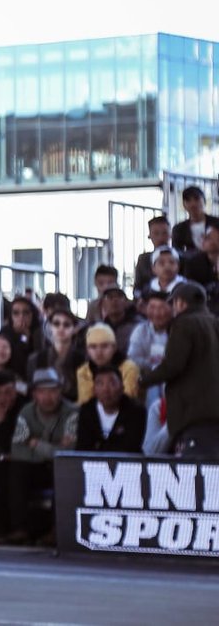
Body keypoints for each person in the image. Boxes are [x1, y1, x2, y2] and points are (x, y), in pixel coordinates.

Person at [139, 283, 219, 457]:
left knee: (195, 476)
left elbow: (173, 365)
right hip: (214, 418)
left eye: (173, 303)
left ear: (181, 303)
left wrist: (143, 380)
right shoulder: (214, 322)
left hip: (193, 416)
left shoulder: (183, 324)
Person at [4, 368, 77, 544]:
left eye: (52, 391)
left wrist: (35, 443)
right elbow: (17, 449)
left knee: (64, 473)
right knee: (16, 469)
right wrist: (53, 449)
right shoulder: (26, 412)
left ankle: (56, 531)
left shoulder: (72, 413)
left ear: (60, 392)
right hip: (34, 466)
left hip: (59, 468)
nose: (47, 397)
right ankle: (18, 529)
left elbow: (69, 453)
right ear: (35, 394)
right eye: (42, 391)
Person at [76, 368, 146, 453]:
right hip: (92, 464)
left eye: (112, 383)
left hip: (126, 464)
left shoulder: (136, 411)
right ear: (94, 390)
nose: (106, 390)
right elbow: (82, 447)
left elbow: (131, 447)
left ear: (122, 388)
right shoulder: (87, 410)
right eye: (100, 384)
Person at [172, 186, 219, 255]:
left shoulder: (216, 223)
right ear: (184, 205)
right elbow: (177, 253)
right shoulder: (179, 228)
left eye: (197, 199)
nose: (193, 204)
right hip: (190, 263)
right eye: (188, 200)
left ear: (204, 201)